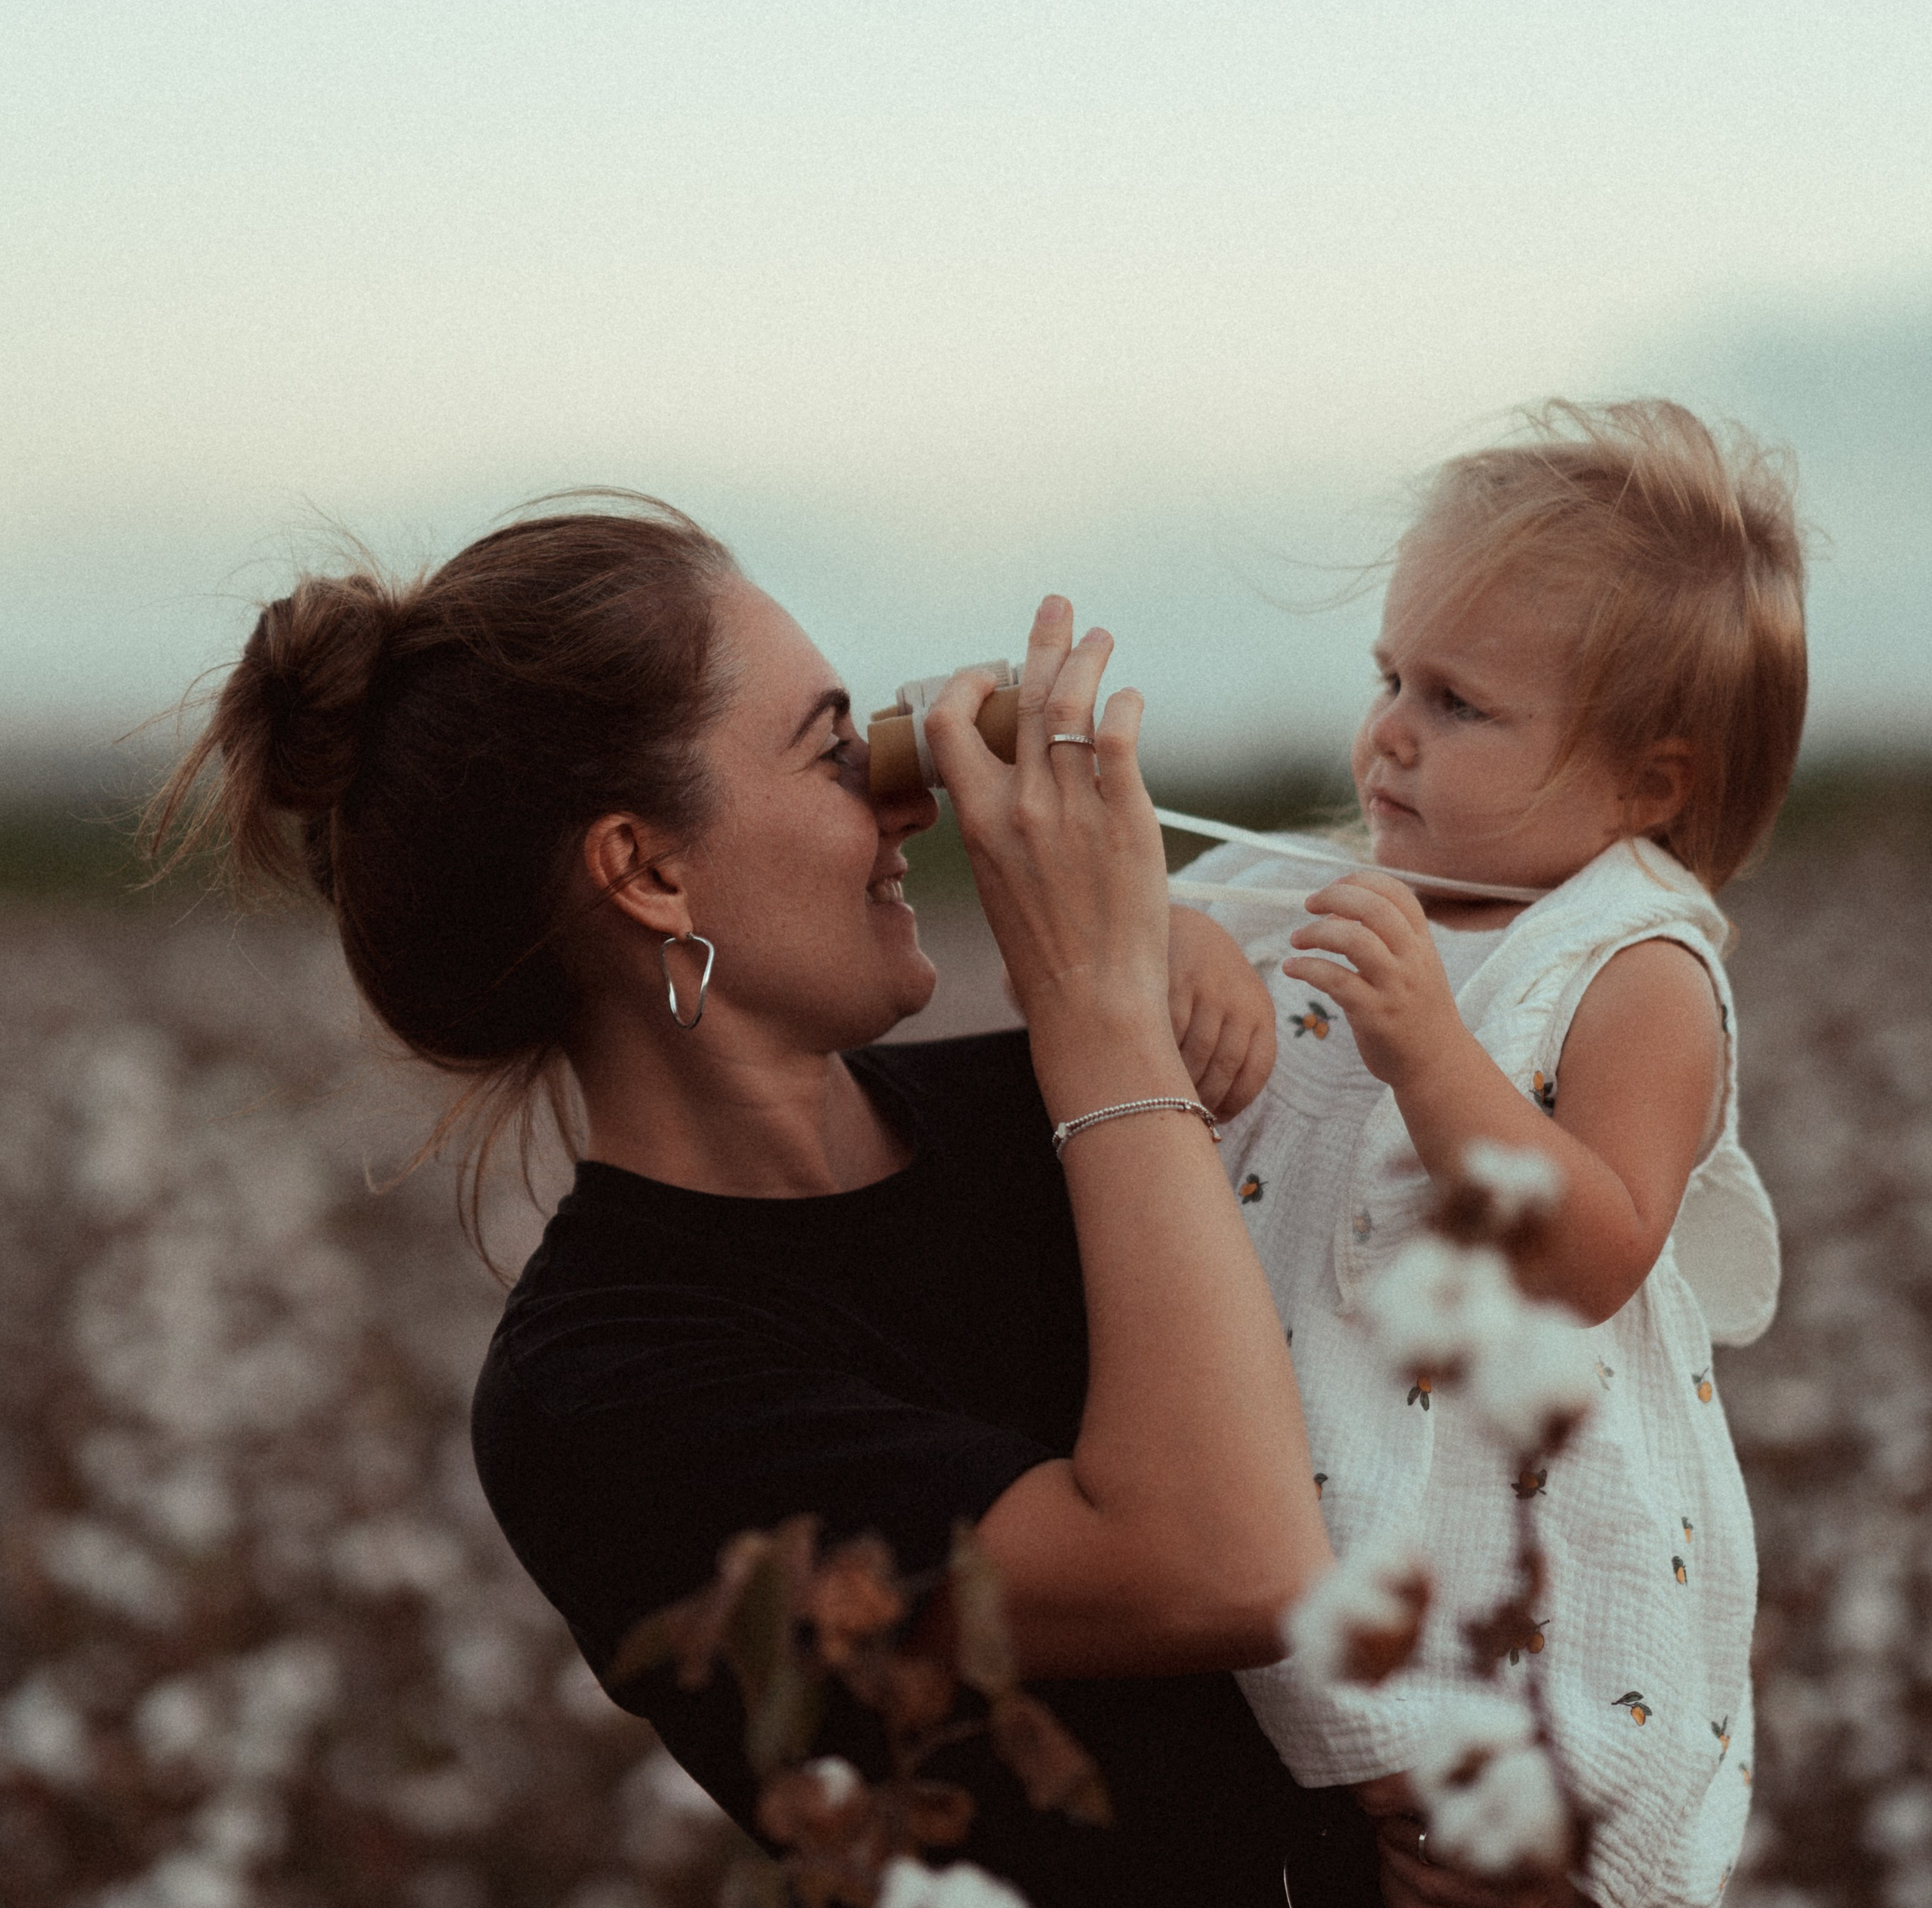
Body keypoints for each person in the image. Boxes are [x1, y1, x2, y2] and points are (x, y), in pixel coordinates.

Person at [149, 498, 1383, 1906]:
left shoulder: (1060, 1108)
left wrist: (1196, 968)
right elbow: (1226, 1569)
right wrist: (1102, 1009)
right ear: (650, 873)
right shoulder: (604, 1399)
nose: (909, 801)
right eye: (833, 748)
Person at [1177, 401, 1805, 1908]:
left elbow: (1597, 1248)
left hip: (1513, 1548)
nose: (1389, 729)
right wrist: (1173, 945)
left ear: (1648, 785)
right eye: (1388, 675)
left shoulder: (1627, 964)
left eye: (1456, 702)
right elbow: (1139, 940)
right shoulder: (1304, 889)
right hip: (1276, 1506)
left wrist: (1432, 1057)